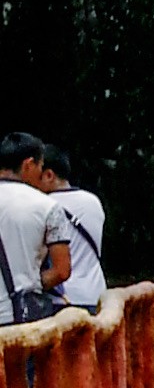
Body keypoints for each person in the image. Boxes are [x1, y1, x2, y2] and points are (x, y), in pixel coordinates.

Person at [38, 147, 104, 312]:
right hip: (95, 295)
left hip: (61, 300)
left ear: (49, 175)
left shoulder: (44, 206)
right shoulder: (93, 201)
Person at [0, 135, 57, 323]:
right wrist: (30, 283)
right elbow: (62, 270)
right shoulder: (47, 206)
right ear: (28, 164)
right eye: (40, 166)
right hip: (19, 317)